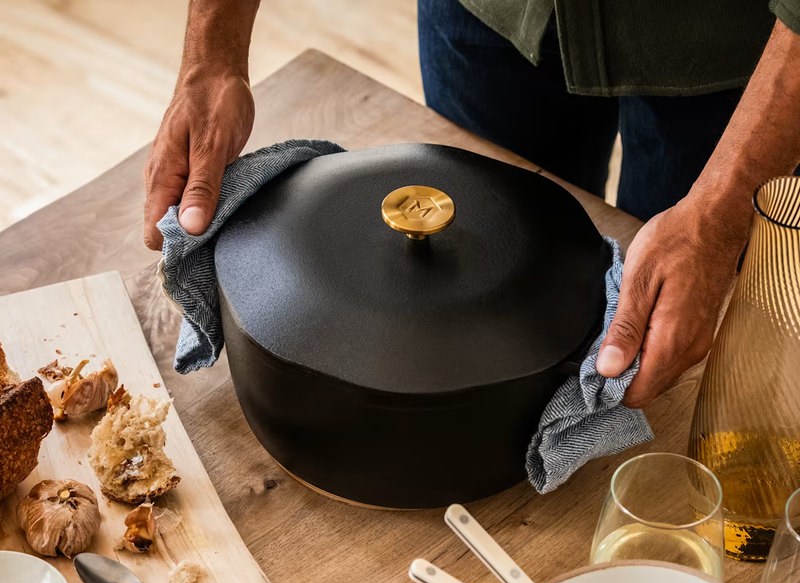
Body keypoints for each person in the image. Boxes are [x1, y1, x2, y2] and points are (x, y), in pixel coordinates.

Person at [143, 0, 800, 408]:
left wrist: (721, 213)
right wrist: (213, 54)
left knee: (663, 335)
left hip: (729, 47)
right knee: (481, 261)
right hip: (491, 12)